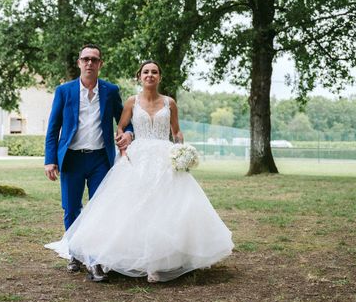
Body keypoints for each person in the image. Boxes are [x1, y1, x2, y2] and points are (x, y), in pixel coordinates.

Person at [46, 60, 233, 283]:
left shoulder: (170, 102)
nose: (150, 75)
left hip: (166, 159)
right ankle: (98, 255)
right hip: (138, 158)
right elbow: (122, 126)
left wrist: (182, 151)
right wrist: (125, 136)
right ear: (139, 76)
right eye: (146, 72)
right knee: (129, 207)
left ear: (160, 77)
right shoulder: (131, 101)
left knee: (166, 208)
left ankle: (164, 261)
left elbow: (176, 131)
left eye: (155, 72)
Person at [44, 43, 133, 278]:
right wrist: (50, 159)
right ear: (79, 63)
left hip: (100, 160)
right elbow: (53, 128)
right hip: (71, 159)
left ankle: (96, 259)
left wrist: (128, 133)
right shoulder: (64, 91)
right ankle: (74, 253)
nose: (90, 63)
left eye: (94, 59)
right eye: (86, 59)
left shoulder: (111, 91)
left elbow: (124, 121)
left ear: (100, 64)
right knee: (71, 208)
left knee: (99, 209)